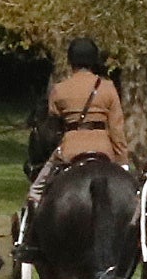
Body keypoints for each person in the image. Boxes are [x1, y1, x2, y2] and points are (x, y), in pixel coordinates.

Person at [17, 38, 129, 261]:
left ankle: (28, 243)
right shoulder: (107, 88)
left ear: (70, 62)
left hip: (69, 151)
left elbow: (52, 130)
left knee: (36, 192)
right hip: (104, 150)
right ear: (95, 61)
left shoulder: (59, 90)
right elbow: (117, 130)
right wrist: (123, 161)